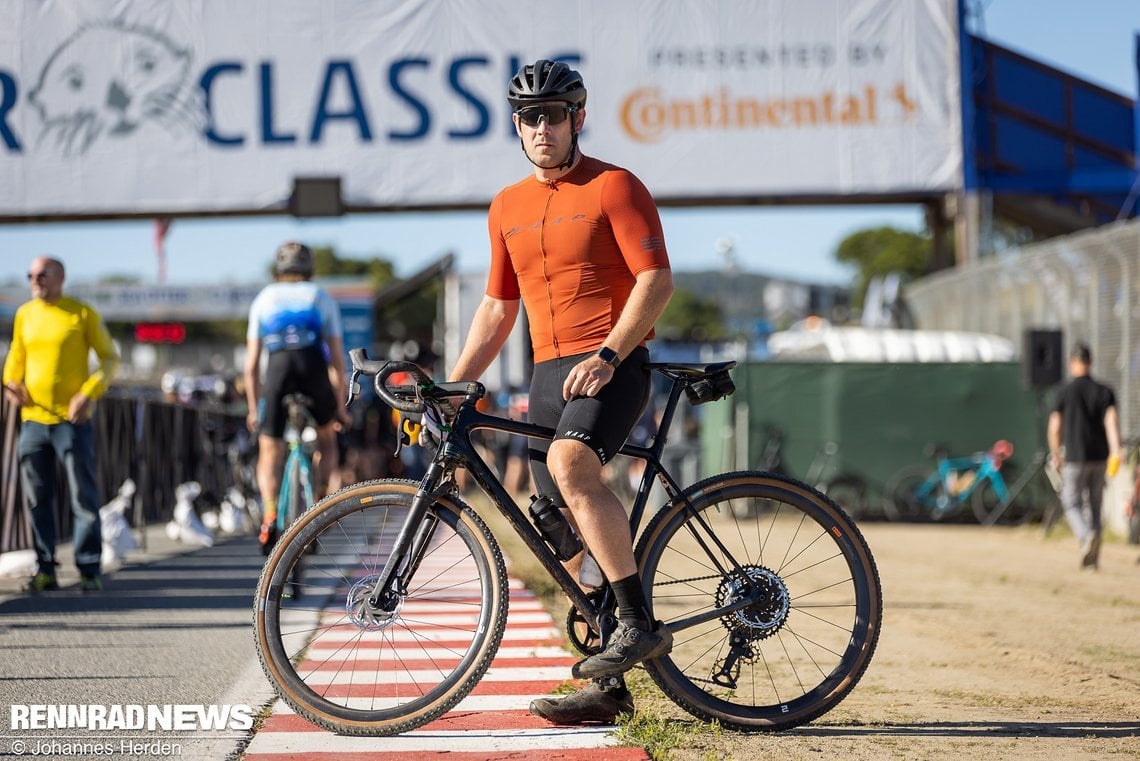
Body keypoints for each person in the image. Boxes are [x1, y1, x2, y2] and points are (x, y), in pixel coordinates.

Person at [445, 59, 675, 724]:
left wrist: (609, 354)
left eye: (554, 114)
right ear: (516, 127)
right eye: (529, 117)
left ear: (577, 118)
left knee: (571, 465)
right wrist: (455, 388)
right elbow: (495, 310)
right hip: (548, 374)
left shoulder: (615, 186)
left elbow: (655, 280)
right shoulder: (505, 206)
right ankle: (610, 687)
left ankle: (637, 622)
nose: (541, 128)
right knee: (553, 532)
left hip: (610, 361)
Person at [3, 256, 120, 593]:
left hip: (72, 422)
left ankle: (87, 569)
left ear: (61, 277)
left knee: (82, 496)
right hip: (33, 421)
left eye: (42, 274)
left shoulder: (81, 313)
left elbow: (110, 358)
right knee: (37, 498)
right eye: (30, 275)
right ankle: (45, 570)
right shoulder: (25, 314)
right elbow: (15, 360)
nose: (35, 280)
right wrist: (12, 386)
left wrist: (88, 394)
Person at [244, 242, 348, 553]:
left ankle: (270, 511)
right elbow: (338, 363)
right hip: (311, 365)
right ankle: (315, 508)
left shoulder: (264, 297)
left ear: (278, 270)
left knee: (269, 447)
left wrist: (253, 409)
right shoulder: (320, 296)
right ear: (309, 269)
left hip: (278, 368)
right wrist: (340, 408)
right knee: (327, 438)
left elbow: (250, 367)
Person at [1047, 341, 1121, 569]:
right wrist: (1116, 451)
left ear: (1072, 363)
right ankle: (1093, 560)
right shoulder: (1105, 391)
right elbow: (1111, 422)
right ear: (1091, 362)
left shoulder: (1064, 391)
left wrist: (1055, 453)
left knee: (1071, 503)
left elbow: (1054, 427)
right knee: (1096, 505)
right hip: (1100, 458)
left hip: (1075, 458)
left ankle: (1086, 537)